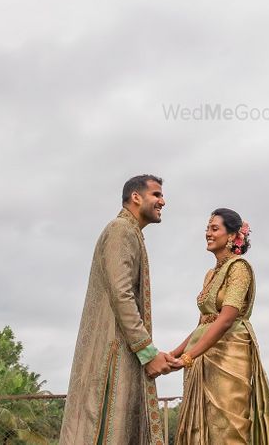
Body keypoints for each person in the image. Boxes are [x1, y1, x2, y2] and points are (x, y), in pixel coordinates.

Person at [59, 175, 175, 445]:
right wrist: (147, 352)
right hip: (111, 353)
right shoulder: (121, 230)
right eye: (156, 195)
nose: (162, 201)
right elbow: (121, 295)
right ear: (136, 197)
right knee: (103, 428)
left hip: (122, 349)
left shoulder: (131, 232)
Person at [170, 208, 269, 444]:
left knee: (229, 427)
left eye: (214, 229)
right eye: (207, 229)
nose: (208, 233)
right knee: (201, 428)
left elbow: (225, 319)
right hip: (202, 357)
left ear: (233, 236)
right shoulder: (210, 275)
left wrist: (188, 356)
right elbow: (203, 323)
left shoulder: (239, 268)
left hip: (230, 355)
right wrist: (173, 354)